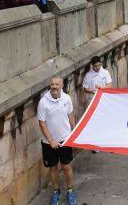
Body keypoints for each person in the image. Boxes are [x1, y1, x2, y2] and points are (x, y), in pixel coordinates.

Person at [37, 77, 76, 205]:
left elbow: (70, 115)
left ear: (62, 85)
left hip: (65, 139)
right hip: (49, 143)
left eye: (56, 84)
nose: (54, 86)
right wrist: (51, 140)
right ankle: (56, 192)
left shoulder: (67, 99)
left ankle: (70, 191)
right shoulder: (43, 102)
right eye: (52, 84)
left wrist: (74, 132)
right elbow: (42, 123)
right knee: (53, 168)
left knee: (66, 166)